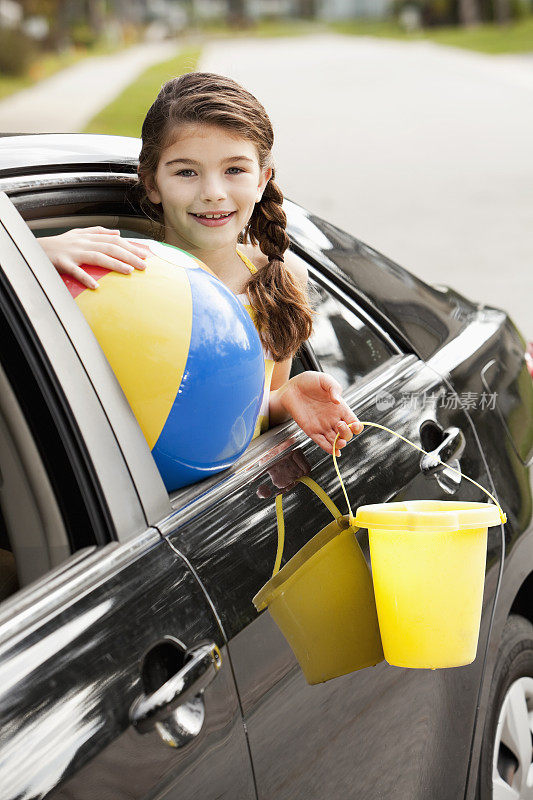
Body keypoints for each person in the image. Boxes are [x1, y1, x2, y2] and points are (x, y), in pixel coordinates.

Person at [39, 72, 363, 457]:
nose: (213, 193)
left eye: (234, 170)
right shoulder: (115, 272)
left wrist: (285, 398)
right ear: (152, 183)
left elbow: (247, 415)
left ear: (262, 180)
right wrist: (36, 251)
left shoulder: (280, 277)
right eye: (186, 172)